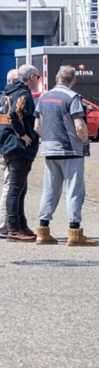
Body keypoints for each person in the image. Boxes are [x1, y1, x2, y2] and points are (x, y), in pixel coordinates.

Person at [34, 65, 96, 246]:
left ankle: (43, 230)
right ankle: (75, 232)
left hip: (49, 148)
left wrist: (48, 139)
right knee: (74, 190)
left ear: (56, 78)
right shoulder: (73, 97)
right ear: (73, 81)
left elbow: (37, 127)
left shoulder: (43, 97)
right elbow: (79, 126)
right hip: (70, 150)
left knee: (49, 190)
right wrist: (84, 142)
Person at [0, 64, 41, 242]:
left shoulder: (6, 94)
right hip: (17, 147)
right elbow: (16, 114)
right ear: (31, 77)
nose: (38, 81)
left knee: (20, 188)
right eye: (38, 77)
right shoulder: (23, 94)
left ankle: (21, 224)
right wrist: (23, 134)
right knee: (15, 189)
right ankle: (13, 229)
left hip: (7, 144)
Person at [0, 68, 18, 239]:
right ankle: (3, 225)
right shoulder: (10, 98)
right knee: (9, 185)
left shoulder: (2, 98)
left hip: (4, 146)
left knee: (9, 185)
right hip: (10, 146)